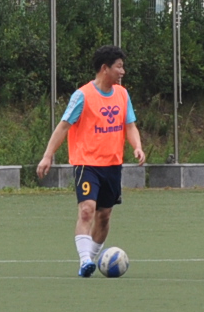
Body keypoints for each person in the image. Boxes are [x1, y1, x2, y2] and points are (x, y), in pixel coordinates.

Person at [36, 45, 146, 277]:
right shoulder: (82, 95)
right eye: (119, 67)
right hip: (87, 164)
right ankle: (84, 260)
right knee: (87, 210)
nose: (123, 71)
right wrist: (47, 155)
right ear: (105, 68)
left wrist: (137, 146)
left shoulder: (122, 94)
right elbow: (63, 126)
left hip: (112, 165)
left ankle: (92, 260)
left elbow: (130, 125)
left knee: (104, 216)